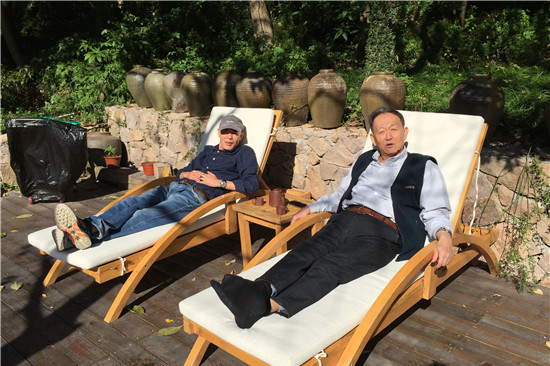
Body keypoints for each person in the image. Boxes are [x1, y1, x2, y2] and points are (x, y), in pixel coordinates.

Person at [211, 107, 455, 329]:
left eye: (394, 129)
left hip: (382, 234)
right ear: (373, 138)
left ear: (405, 132)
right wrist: (311, 208)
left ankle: (268, 307)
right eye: (382, 132)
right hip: (344, 220)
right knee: (304, 251)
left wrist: (444, 237)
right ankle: (260, 289)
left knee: (331, 266)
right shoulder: (364, 161)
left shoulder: (422, 166)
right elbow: (339, 196)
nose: (388, 136)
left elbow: (435, 210)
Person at [53, 114, 259, 251]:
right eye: (226, 132)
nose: (229, 137)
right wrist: (188, 174)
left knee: (145, 215)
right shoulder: (208, 151)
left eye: (234, 133)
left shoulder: (244, 153)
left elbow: (251, 185)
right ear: (219, 133)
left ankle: (88, 233)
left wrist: (219, 183)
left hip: (195, 198)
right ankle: (87, 228)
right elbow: (181, 173)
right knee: (132, 202)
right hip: (174, 188)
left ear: (241, 135)